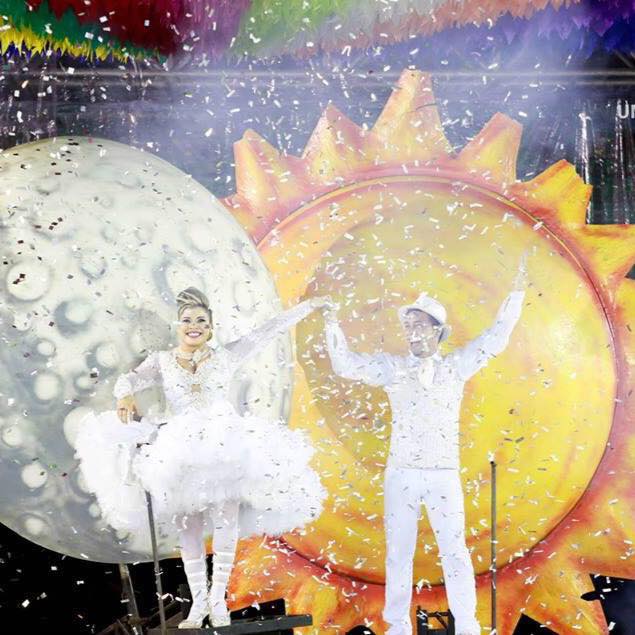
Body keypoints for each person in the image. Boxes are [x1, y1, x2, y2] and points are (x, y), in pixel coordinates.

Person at [74, 287, 328, 629]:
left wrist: (307, 307)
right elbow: (128, 379)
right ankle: (199, 603)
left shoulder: (225, 356)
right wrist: (124, 396)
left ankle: (219, 599)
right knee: (189, 528)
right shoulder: (162, 361)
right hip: (181, 449)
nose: (193, 326)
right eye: (187, 320)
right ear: (178, 326)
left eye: (201, 321)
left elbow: (267, 331)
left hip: (222, 446)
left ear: (210, 328)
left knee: (226, 521)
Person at [322, 254, 529, 635]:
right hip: (401, 473)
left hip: (443, 474)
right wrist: (332, 324)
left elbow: (496, 338)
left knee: (455, 551)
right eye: (408, 325)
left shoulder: (456, 367)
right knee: (398, 553)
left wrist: (516, 293)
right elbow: (345, 365)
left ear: (437, 330)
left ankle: (467, 626)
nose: (412, 331)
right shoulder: (392, 367)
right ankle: (397, 626)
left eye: (419, 324)